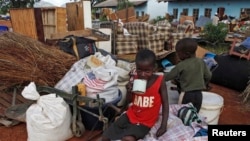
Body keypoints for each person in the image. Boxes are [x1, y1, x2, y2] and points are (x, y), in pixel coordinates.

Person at [102, 49, 169, 141]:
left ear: (154, 69)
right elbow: (129, 101)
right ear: (136, 67)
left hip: (146, 121)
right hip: (131, 115)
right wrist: (129, 90)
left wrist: (163, 125)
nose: (142, 74)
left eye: (147, 71)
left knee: (128, 139)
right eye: (139, 70)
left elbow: (165, 103)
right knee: (106, 137)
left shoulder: (159, 81)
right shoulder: (135, 78)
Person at [164, 38, 212, 112]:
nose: (177, 55)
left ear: (186, 54)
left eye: (178, 53)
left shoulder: (182, 65)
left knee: (183, 113)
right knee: (194, 114)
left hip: (186, 95)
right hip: (199, 95)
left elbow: (168, 76)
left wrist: (156, 77)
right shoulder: (201, 62)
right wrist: (205, 84)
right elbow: (208, 76)